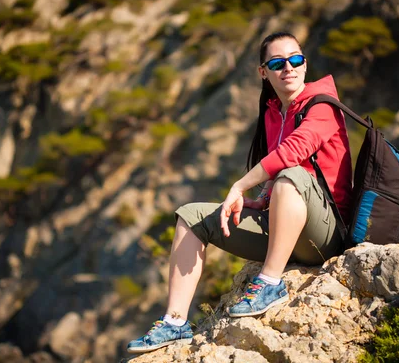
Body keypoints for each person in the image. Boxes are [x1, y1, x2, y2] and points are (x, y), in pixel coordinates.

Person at [127, 31, 353, 353]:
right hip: (286, 230)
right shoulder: (274, 112)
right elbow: (281, 174)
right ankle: (174, 323)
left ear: (305, 64)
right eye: (277, 63)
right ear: (263, 72)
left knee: (290, 174)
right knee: (191, 216)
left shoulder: (324, 105)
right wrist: (261, 199)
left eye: (295, 59)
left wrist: (239, 186)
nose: (288, 68)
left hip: (326, 236)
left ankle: (270, 283)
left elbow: (294, 153)